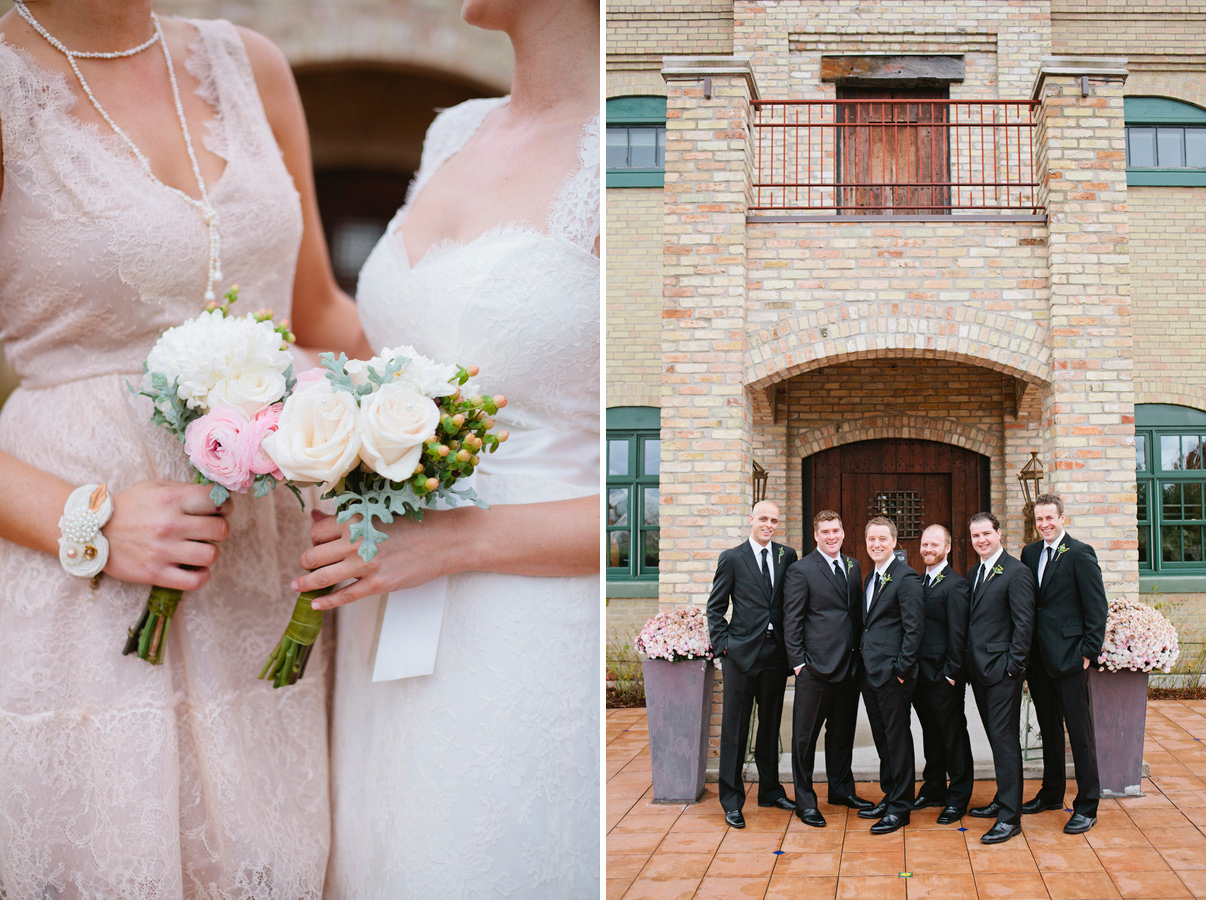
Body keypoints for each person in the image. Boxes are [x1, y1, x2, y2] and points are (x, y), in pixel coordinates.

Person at [0, 0, 369, 896]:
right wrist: (85, 523)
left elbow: (315, 314)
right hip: (79, 598)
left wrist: (430, 413)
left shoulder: (251, 67)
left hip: (266, 584)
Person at [289, 0, 600, 896]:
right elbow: (392, 351)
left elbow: (664, 491)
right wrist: (290, 392)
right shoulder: (455, 134)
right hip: (384, 607)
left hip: (523, 623)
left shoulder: (626, 145)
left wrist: (455, 541)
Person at [706, 500, 798, 829]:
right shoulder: (732, 558)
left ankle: (770, 790)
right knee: (736, 729)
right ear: (752, 520)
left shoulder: (787, 556)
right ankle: (731, 799)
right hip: (741, 656)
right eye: (763, 519)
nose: (768, 524)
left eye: (774, 520)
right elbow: (715, 608)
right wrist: (724, 647)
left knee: (771, 727)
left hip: (775, 655)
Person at [1020, 493, 1108, 835]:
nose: (1044, 524)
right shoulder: (1029, 553)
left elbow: (1096, 607)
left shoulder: (1080, 553)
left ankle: (1087, 804)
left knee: (1080, 733)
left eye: (1049, 518)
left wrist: (1088, 652)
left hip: (1072, 657)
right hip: (1039, 659)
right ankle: (1052, 792)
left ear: (1061, 518)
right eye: (1039, 519)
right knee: (1049, 729)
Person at [782, 510, 873, 828]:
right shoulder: (801, 570)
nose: (831, 536)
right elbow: (791, 619)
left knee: (841, 734)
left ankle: (841, 790)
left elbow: (855, 614)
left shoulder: (853, 566)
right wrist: (798, 664)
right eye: (825, 532)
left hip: (848, 668)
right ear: (816, 536)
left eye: (836, 530)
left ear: (844, 533)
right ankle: (805, 801)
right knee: (804, 739)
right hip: (814, 670)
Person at [964, 512, 1036, 845]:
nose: (981, 540)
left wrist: (1013, 667)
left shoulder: (1017, 572)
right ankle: (1001, 798)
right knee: (996, 739)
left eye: (986, 534)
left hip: (1002, 673)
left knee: (1005, 741)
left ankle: (1010, 817)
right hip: (980, 671)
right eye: (975, 536)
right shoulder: (975, 572)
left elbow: (1024, 624)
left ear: (998, 534)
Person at [855, 516, 923, 834]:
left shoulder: (906, 578)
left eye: (883, 539)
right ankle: (889, 794)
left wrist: (901, 670)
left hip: (892, 675)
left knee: (897, 739)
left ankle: (901, 807)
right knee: (882, 739)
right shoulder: (872, 577)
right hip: (870, 673)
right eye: (872, 539)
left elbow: (914, 629)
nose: (877, 544)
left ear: (894, 542)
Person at [912, 524, 975, 825]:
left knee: (953, 736)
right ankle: (934, 787)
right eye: (925, 544)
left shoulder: (956, 585)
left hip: (944, 676)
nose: (928, 549)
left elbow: (959, 635)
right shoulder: (918, 582)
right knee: (930, 734)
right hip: (920, 676)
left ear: (947, 548)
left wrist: (952, 673)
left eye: (934, 545)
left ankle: (958, 795)